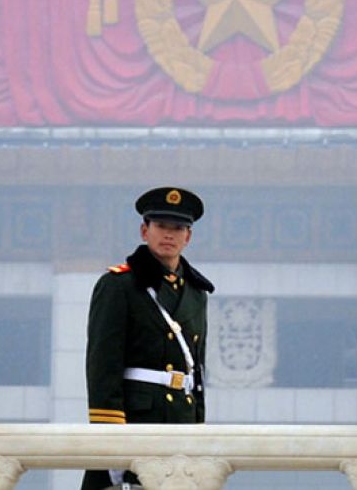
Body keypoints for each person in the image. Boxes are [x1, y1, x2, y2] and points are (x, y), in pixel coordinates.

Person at [81, 187, 214, 490]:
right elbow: (103, 365)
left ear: (188, 237)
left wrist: (198, 429)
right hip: (136, 419)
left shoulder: (196, 292)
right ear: (145, 231)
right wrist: (111, 436)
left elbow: (197, 370)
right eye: (161, 226)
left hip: (180, 419)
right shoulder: (119, 285)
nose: (169, 234)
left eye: (178, 228)